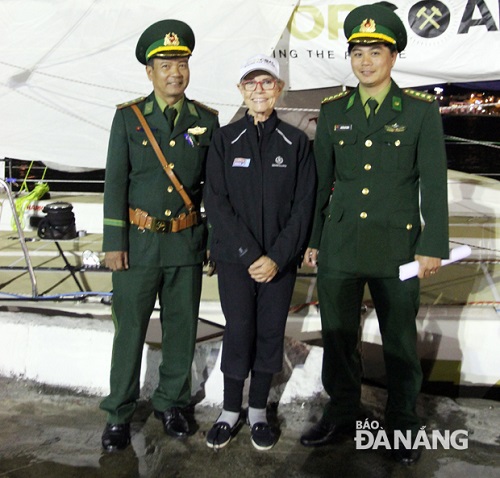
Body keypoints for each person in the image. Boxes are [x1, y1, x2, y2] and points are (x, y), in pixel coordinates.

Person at [300, 2, 449, 465]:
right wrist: (313, 239)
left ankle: (403, 420)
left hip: (397, 245)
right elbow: (321, 182)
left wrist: (432, 244)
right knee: (338, 334)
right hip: (340, 242)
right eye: (357, 52)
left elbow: (434, 181)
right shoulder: (333, 110)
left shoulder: (421, 112)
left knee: (400, 337)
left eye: (375, 52)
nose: (365, 61)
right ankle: (343, 410)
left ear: (394, 57)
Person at [100, 19, 219, 452]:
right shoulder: (129, 119)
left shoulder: (206, 120)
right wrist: (114, 243)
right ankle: (118, 412)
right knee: (129, 329)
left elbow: (214, 188)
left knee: (181, 328)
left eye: (181, 62)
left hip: (185, 244)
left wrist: (212, 241)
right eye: (166, 63)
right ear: (149, 71)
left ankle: (173, 402)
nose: (175, 71)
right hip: (137, 243)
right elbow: (116, 183)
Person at [203, 54, 316, 451]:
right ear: (240, 91)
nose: (259, 90)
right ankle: (229, 411)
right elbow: (215, 203)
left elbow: (304, 206)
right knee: (239, 330)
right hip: (237, 261)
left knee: (269, 333)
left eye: (266, 83)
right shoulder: (223, 139)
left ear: (279, 89)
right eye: (251, 83)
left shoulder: (297, 142)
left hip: (279, 263)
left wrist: (278, 256)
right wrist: (251, 254)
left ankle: (257, 412)